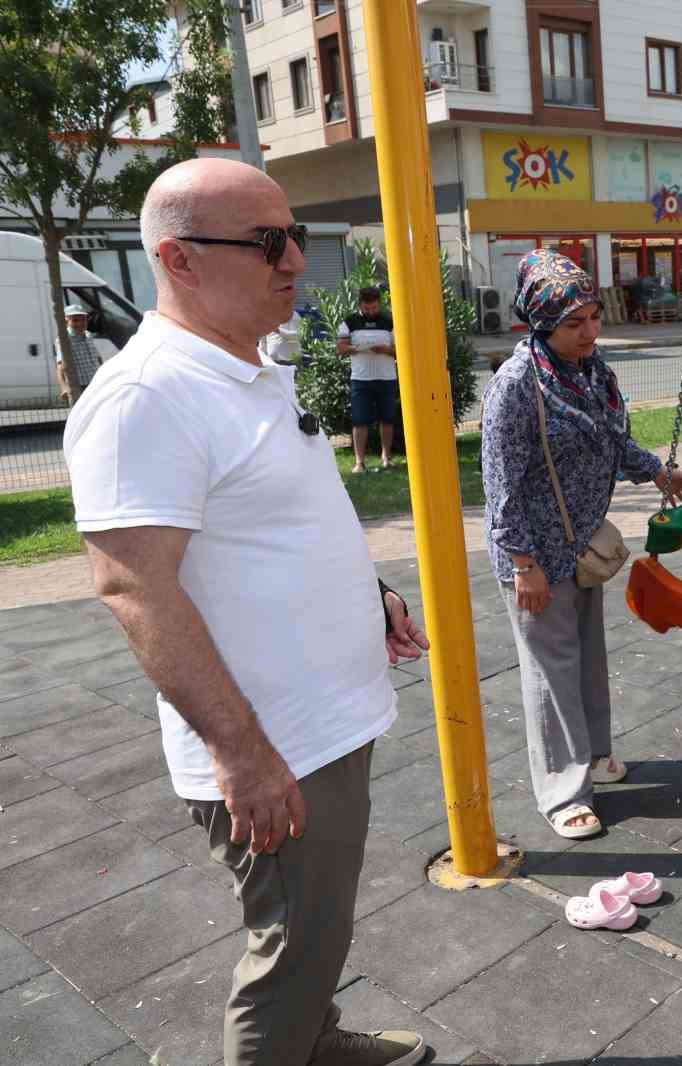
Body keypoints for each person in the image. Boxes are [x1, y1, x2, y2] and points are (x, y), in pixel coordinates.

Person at [62, 157, 431, 1066]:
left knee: (316, 934)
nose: (297, 260)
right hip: (277, 748)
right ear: (178, 260)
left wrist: (366, 595)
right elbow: (132, 586)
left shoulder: (244, 365)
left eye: (294, 236)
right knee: (290, 949)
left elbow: (264, 527)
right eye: (269, 242)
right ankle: (290, 1042)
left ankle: (318, 1037)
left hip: (319, 726)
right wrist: (242, 754)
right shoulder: (147, 396)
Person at [480, 249, 682, 840]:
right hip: (533, 553)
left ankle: (596, 751)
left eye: (593, 317)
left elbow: (611, 438)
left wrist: (655, 471)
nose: (590, 332)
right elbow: (499, 484)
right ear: (540, 323)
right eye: (573, 324)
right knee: (551, 671)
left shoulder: (592, 371)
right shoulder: (517, 386)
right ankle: (564, 791)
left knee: (586, 656)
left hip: (579, 545)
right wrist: (523, 563)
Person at [337, 287, 399, 473]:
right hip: (360, 379)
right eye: (367, 308)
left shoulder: (390, 321)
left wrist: (386, 350)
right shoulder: (350, 321)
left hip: (386, 377)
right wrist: (356, 348)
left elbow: (401, 349)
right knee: (359, 420)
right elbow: (340, 348)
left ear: (379, 303)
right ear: (360, 305)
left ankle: (386, 458)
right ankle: (359, 462)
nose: (371, 312)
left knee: (387, 419)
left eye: (374, 308)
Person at [56, 303, 103, 404]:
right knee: (80, 417)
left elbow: (98, 358)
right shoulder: (64, 339)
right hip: (78, 387)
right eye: (75, 320)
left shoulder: (88, 335)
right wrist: (64, 388)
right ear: (67, 321)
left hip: (95, 383)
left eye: (83, 319)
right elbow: (60, 366)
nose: (80, 323)